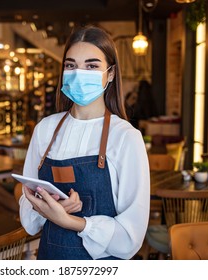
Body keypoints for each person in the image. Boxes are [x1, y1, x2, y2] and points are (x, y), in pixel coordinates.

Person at [18, 25, 150, 260]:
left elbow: (131, 237)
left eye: (91, 66)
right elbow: (29, 222)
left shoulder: (126, 137)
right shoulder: (45, 130)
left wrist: (72, 222)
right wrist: (44, 206)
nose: (79, 73)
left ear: (110, 74)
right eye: (71, 65)